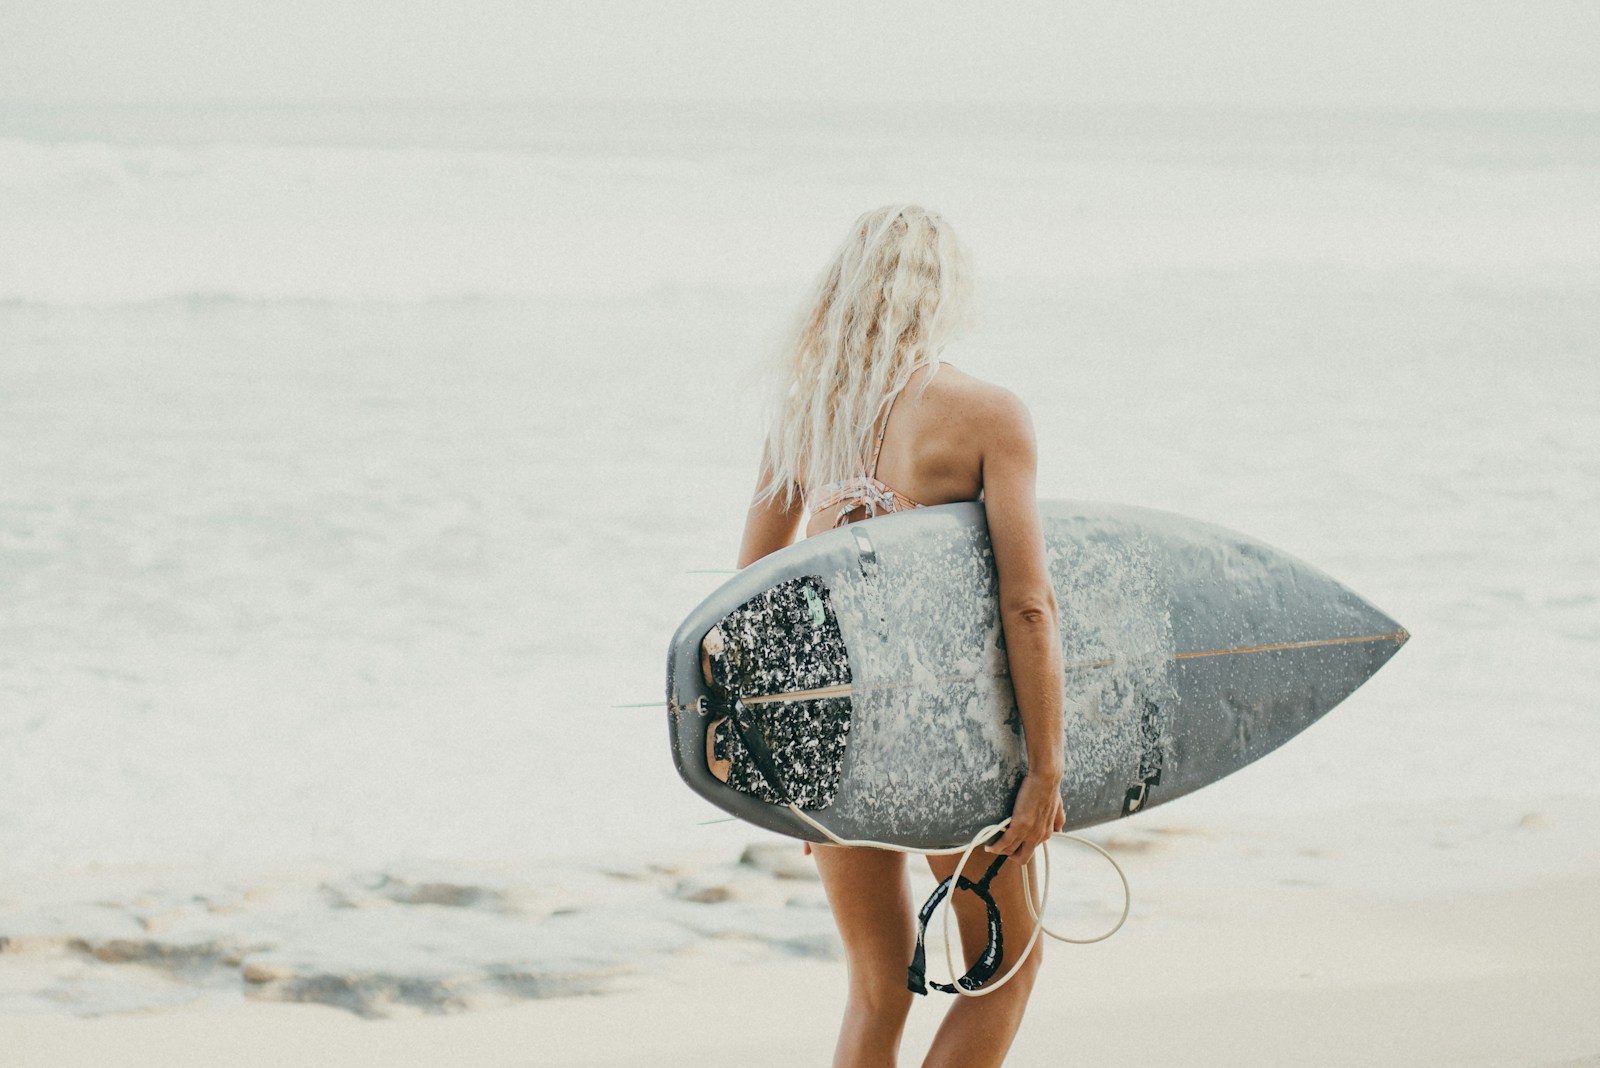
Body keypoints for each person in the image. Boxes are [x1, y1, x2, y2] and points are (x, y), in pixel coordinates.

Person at [730, 205, 1066, 1068]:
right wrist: (1045, 771)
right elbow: (1028, 606)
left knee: (878, 989)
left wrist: (781, 765)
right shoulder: (988, 415)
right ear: (947, 293)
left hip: (833, 740)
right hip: (946, 738)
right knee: (1006, 971)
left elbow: (747, 603)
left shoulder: (808, 414)